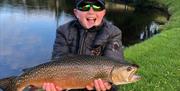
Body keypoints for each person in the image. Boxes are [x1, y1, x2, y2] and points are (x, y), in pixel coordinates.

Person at [43, 0, 125, 91]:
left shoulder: (113, 32)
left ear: (104, 12)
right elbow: (58, 60)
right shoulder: (63, 30)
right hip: (69, 85)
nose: (91, 11)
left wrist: (110, 84)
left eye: (97, 6)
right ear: (76, 12)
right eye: (84, 6)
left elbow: (115, 63)